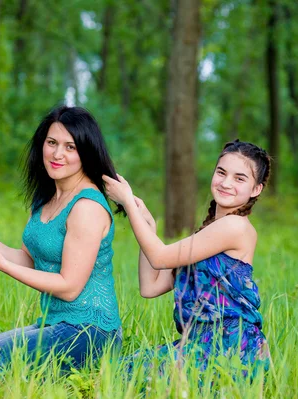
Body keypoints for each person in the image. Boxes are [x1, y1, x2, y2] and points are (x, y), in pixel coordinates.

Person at [0, 105, 123, 371]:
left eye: (70, 147)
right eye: (52, 143)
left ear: (85, 151)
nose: (57, 154)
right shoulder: (45, 199)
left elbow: (69, 286)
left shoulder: (87, 207)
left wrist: (1, 264)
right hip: (54, 324)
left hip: (90, 333)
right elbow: (30, 261)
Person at [102, 139, 271, 379]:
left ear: (256, 189)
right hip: (198, 345)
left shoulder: (235, 227)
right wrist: (148, 225)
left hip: (231, 349)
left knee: (124, 377)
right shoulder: (208, 233)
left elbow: (160, 257)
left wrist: (128, 202)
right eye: (221, 172)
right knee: (117, 371)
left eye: (239, 178)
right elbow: (150, 287)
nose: (226, 183)